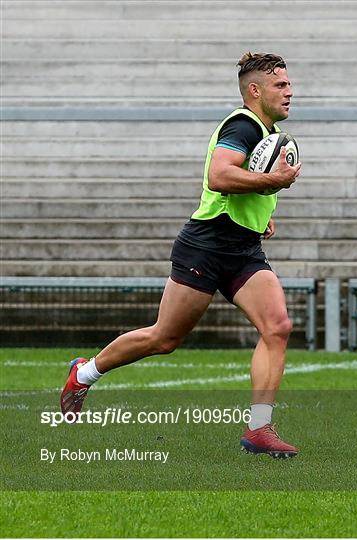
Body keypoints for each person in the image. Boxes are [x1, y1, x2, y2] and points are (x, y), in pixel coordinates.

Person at [61, 52, 302, 459]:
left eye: (290, 84)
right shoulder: (242, 125)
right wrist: (271, 181)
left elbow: (245, 187)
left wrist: (262, 214)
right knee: (164, 338)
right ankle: (83, 374)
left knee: (277, 327)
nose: (290, 91)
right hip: (206, 245)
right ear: (255, 90)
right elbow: (219, 175)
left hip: (242, 248)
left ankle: (259, 428)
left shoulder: (264, 129)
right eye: (281, 85)